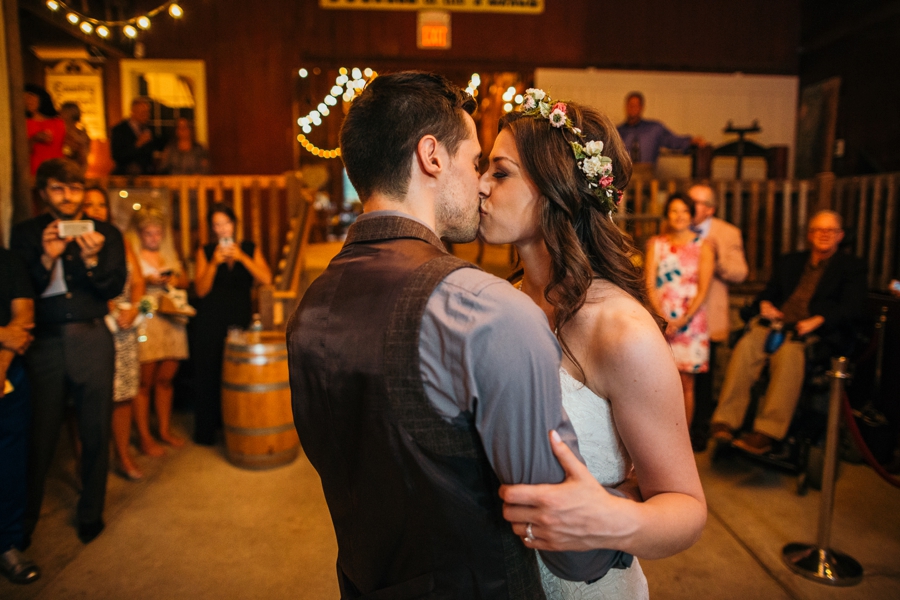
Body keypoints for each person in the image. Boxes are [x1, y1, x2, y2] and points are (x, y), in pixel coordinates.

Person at [288, 71, 631, 599]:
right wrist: (621, 529)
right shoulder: (487, 310)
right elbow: (567, 547)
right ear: (431, 156)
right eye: (475, 163)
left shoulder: (311, 307)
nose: (481, 184)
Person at [480, 89, 706, 599]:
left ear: (555, 188)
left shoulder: (619, 329)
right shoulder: (505, 303)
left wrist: (609, 519)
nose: (479, 186)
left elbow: (686, 508)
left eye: (499, 172)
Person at [10, 158, 127, 546]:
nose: (68, 196)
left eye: (74, 188)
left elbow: (112, 288)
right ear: (44, 192)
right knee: (39, 436)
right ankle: (21, 525)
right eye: (59, 188)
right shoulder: (26, 234)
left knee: (95, 431)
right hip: (44, 341)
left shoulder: (106, 233)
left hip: (93, 338)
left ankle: (91, 513)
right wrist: (47, 257)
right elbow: (18, 288)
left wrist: (92, 261)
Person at [710, 210, 867, 454]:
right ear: (809, 234)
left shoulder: (851, 267)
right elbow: (768, 293)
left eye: (830, 230)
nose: (824, 235)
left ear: (840, 236)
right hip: (778, 325)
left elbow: (853, 307)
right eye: (818, 229)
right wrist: (765, 305)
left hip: (811, 333)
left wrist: (819, 319)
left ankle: (767, 432)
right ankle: (725, 422)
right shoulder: (791, 262)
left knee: (789, 356)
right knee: (747, 345)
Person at [192, 203, 271, 445]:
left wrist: (243, 258)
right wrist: (214, 263)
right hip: (210, 320)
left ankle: (237, 428)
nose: (222, 229)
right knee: (209, 373)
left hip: (239, 319)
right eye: (216, 225)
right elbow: (201, 291)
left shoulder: (249, 248)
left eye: (225, 223)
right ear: (212, 229)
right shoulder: (205, 252)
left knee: (237, 373)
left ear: (234, 224)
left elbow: (266, 279)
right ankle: (207, 432)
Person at [82, 186, 146, 480]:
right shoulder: (75, 243)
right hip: (95, 322)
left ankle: (122, 455)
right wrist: (108, 305)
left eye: (100, 205)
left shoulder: (119, 239)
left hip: (125, 323)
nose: (96, 210)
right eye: (89, 204)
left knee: (123, 393)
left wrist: (134, 308)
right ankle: (89, 462)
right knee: (89, 398)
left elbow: (138, 281)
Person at [688, 184, 749, 450]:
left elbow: (740, 273)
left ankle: (699, 432)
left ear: (710, 208)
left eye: (697, 202)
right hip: (680, 315)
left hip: (707, 315)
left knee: (703, 379)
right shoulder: (676, 226)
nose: (691, 207)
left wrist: (716, 255)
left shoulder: (727, 232)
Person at [645, 194, 714, 424]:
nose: (679, 216)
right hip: (661, 320)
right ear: (667, 214)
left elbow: (703, 289)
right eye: (674, 211)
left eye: (684, 211)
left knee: (686, 383)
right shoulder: (656, 244)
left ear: (692, 215)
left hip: (691, 323)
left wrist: (684, 319)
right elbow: (649, 284)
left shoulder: (704, 247)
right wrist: (663, 317)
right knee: (658, 381)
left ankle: (684, 441)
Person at [128, 207, 189, 455]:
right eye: (148, 233)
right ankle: (144, 436)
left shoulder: (170, 255)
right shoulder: (133, 255)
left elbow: (185, 280)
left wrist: (173, 280)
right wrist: (146, 282)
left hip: (172, 316)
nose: (153, 238)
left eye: (157, 233)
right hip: (147, 316)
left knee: (166, 378)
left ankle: (163, 429)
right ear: (139, 234)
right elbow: (129, 287)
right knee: (144, 381)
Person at [0, 248, 39, 584]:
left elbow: (24, 316)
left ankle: (8, 544)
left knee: (10, 460)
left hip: (9, 371)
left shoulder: (10, 260)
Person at [616, 91, 704, 169]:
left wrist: (691, 141)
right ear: (626, 106)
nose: (633, 108)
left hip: (647, 175)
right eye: (630, 105)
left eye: (636, 105)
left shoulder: (653, 129)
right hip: (624, 175)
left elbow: (672, 141)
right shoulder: (617, 132)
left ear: (641, 107)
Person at [111, 97, 161, 175]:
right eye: (143, 112)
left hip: (147, 175)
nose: (146, 115)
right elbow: (117, 156)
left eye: (147, 112)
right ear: (133, 112)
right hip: (127, 177)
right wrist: (137, 144)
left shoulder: (149, 129)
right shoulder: (119, 130)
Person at [25, 85, 66, 177]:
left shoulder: (58, 122)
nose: (27, 101)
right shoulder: (24, 123)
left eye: (30, 97)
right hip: (33, 170)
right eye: (24, 98)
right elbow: (21, 151)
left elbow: (67, 145)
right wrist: (34, 139)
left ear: (41, 98)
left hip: (57, 169)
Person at [59, 102, 92, 172]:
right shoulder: (62, 132)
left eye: (62, 112)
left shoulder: (81, 135)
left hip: (74, 168)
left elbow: (83, 154)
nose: (59, 115)